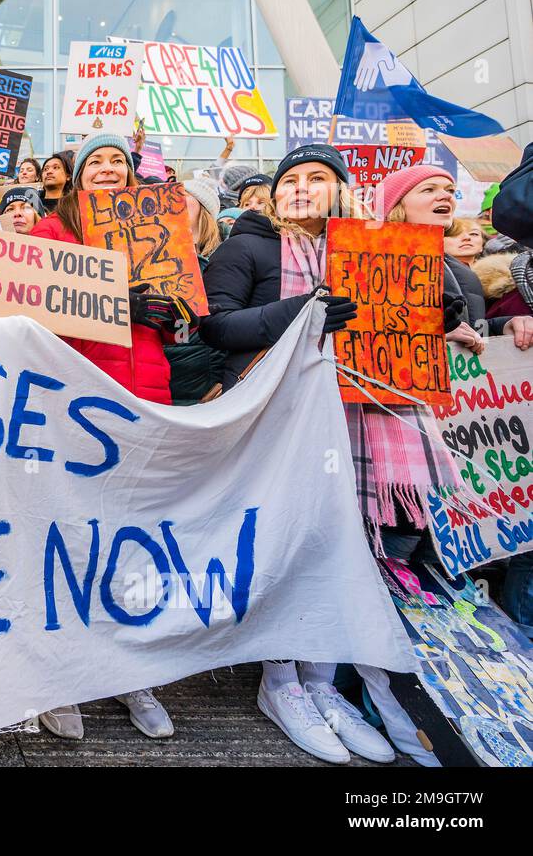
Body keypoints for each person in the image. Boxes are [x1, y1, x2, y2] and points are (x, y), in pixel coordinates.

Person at [202, 144, 450, 766]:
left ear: (342, 189)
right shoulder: (248, 247)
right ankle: (280, 682)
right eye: (292, 179)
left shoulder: (374, 250)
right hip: (282, 421)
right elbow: (216, 326)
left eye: (319, 177)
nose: (304, 187)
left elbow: (403, 320)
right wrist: (299, 312)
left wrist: (440, 316)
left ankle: (320, 682)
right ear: (272, 193)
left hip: (361, 422)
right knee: (287, 541)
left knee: (343, 546)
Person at [31, 133, 189, 742]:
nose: (106, 168)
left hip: (144, 394)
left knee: (131, 534)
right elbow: (34, 315)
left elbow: (183, 318)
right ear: (75, 178)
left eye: (116, 161)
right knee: (67, 533)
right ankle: (62, 674)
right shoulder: (51, 233)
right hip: (69, 398)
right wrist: (114, 304)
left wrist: (171, 316)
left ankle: (127, 670)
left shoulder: (158, 232)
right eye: (94, 160)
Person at [378, 165, 491, 352]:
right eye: (429, 189)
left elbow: (477, 332)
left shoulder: (464, 273)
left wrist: (507, 324)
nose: (446, 196)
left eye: (450, 190)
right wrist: (431, 338)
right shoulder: (369, 265)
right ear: (396, 204)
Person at [164, 177, 226, 404]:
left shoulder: (225, 259)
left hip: (203, 391)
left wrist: (223, 381)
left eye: (183, 198)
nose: (173, 203)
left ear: (204, 212)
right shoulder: (150, 261)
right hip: (156, 386)